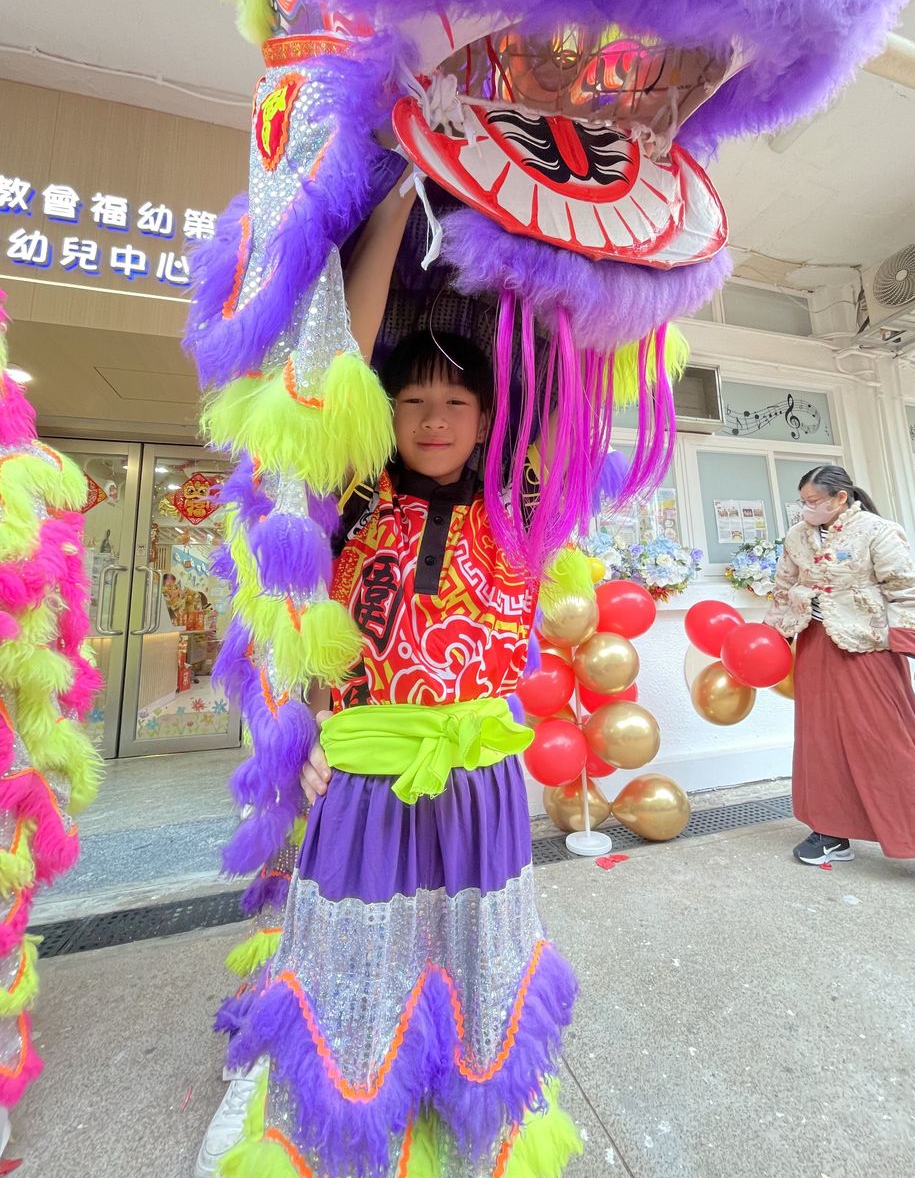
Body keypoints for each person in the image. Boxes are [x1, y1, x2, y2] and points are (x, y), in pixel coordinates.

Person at [197, 175, 581, 1178]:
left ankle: (464, 1120)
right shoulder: (355, 496)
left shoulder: (519, 504)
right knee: (355, 975)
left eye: (456, 402)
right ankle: (347, 1136)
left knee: (475, 960)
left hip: (482, 780)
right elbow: (336, 367)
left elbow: (560, 378)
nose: (433, 417)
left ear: (487, 418)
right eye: (413, 401)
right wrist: (395, 203)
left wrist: (556, 243)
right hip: (363, 774)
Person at [766, 464, 915, 901]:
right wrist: (772, 639)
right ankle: (832, 831)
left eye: (813, 501)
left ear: (840, 498)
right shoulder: (796, 537)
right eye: (802, 501)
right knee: (821, 744)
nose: (805, 508)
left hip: (867, 650)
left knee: (888, 745)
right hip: (815, 648)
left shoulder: (877, 531)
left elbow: (909, 591)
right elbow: (782, 589)